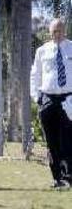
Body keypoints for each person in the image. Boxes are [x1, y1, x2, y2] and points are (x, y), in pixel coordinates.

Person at [31, 18, 72, 190]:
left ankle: (68, 177)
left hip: (68, 99)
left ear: (65, 31)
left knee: (68, 140)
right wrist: (37, 97)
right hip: (47, 99)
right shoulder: (42, 51)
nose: (57, 34)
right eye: (54, 31)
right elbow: (35, 74)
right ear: (50, 32)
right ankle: (57, 179)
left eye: (60, 30)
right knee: (52, 142)